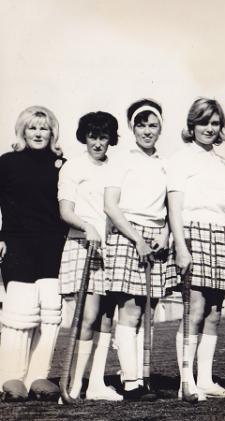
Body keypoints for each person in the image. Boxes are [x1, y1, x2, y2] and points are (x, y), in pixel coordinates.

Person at [167, 98, 225, 400]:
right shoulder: (181, 158)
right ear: (192, 125)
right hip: (193, 234)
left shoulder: (224, 163)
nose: (209, 128)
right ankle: (187, 382)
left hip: (221, 235)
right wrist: (181, 247)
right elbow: (174, 206)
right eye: (203, 122)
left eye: (215, 123)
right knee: (193, 310)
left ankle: (206, 380)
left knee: (214, 312)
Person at [104, 99, 173, 400]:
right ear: (133, 127)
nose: (147, 130)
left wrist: (165, 236)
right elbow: (110, 206)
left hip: (156, 239)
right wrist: (138, 240)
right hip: (128, 234)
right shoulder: (121, 160)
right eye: (141, 124)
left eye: (152, 124)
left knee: (149, 311)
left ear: (160, 128)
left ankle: (142, 376)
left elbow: (171, 209)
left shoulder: (164, 163)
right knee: (130, 311)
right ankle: (131, 382)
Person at [0, 106, 67, 401]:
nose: (38, 133)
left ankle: (40, 377)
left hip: (54, 244)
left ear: (52, 132)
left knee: (50, 312)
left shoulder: (62, 164)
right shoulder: (7, 162)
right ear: (23, 131)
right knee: (19, 312)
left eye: (44, 128)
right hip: (17, 243)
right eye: (32, 128)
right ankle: (10, 378)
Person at [58, 111, 123, 401]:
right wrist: (88, 227)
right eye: (93, 136)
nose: (98, 143)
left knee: (107, 318)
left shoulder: (115, 167)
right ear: (84, 137)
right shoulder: (73, 166)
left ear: (111, 139)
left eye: (104, 137)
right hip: (83, 244)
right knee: (89, 316)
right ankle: (73, 386)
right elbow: (65, 211)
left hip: (111, 247)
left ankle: (96, 384)